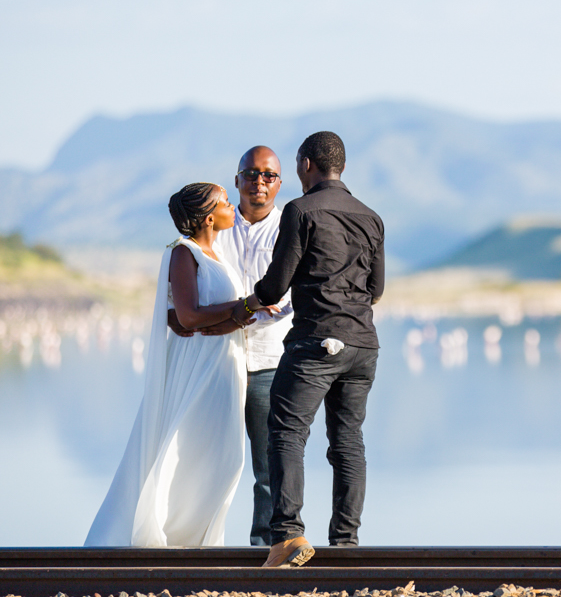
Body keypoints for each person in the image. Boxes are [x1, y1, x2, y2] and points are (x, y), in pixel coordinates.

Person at [86, 183, 267, 547]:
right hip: (198, 366)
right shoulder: (184, 254)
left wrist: (245, 312)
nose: (235, 208)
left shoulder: (216, 255)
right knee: (190, 447)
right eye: (227, 203)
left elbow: (217, 315)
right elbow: (186, 315)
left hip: (225, 366)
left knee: (225, 456)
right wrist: (245, 307)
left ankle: (198, 541)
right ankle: (166, 534)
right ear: (210, 216)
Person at [245, 131, 385, 568]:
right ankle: (345, 542)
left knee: (286, 432)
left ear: (306, 165)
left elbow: (275, 283)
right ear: (340, 166)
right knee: (348, 442)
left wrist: (252, 301)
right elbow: (377, 288)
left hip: (315, 343)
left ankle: (287, 536)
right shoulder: (371, 217)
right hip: (363, 344)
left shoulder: (300, 210)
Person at [169, 146, 293, 547]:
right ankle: (190, 540)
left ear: (279, 182)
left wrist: (238, 316)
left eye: (268, 175)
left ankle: (266, 547)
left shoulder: (290, 227)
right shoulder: (215, 225)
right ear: (237, 179)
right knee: (203, 457)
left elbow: (287, 300)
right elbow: (190, 299)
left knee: (267, 465)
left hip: (267, 361)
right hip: (215, 362)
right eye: (251, 173)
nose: (259, 182)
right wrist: (231, 315)